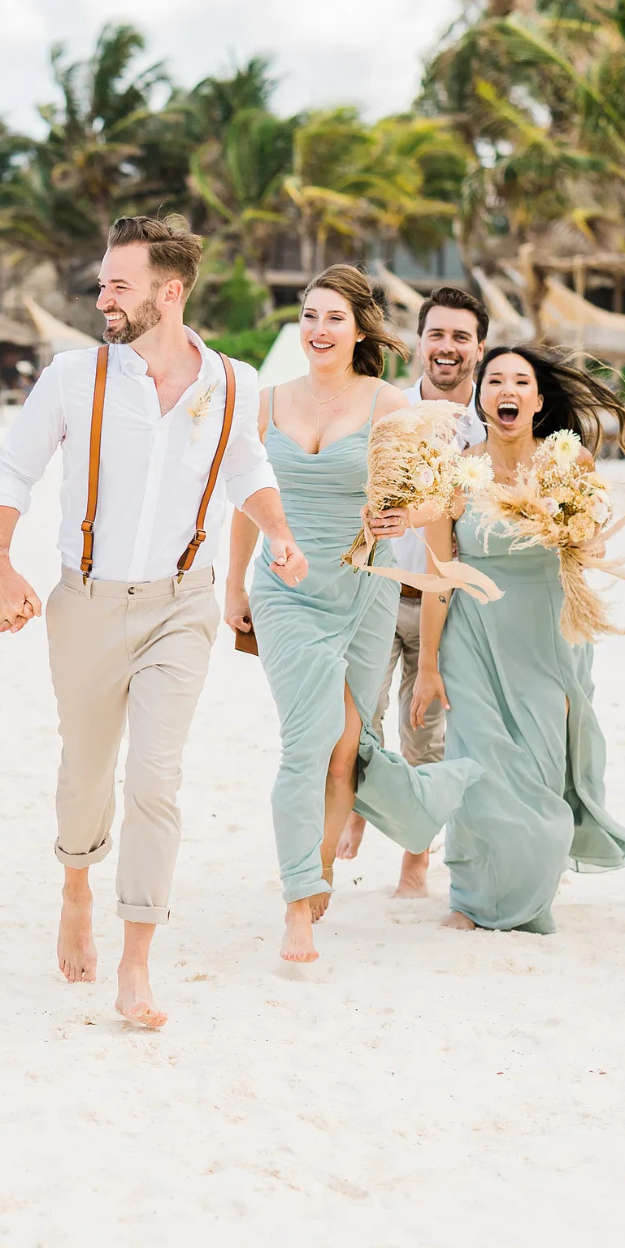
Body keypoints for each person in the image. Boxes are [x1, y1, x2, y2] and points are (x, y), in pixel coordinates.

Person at [0, 214, 308, 1028]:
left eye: (117, 284)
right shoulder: (71, 378)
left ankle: (137, 963)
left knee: (156, 780)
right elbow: (13, 467)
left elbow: (247, 465)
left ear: (169, 292)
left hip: (181, 605)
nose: (102, 298)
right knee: (86, 772)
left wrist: (279, 532)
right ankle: (74, 884)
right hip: (85, 603)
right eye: (102, 282)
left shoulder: (231, 382)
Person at [224, 266, 476, 962]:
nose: (318, 330)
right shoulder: (265, 403)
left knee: (346, 751)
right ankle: (297, 901)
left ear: (359, 329)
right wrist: (235, 588)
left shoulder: (388, 405)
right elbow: (248, 494)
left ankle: (323, 871)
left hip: (362, 590)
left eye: (333, 317)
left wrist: (401, 513)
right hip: (283, 589)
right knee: (308, 738)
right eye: (309, 316)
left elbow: (442, 501)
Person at [411, 345, 625, 933]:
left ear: (539, 402)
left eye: (520, 381)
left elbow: (590, 541)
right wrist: (428, 665)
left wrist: (584, 538)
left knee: (541, 779)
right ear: (481, 397)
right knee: (480, 768)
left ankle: (531, 888)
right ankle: (469, 899)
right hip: (473, 635)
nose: (506, 389)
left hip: (549, 637)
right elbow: (440, 577)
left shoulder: (572, 465)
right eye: (494, 380)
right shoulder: (454, 474)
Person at [360, 283, 489, 898]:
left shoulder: (492, 426)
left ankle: (415, 860)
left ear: (478, 348)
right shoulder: (386, 411)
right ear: (420, 340)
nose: (446, 347)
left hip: (452, 611)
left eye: (460, 337)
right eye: (436, 334)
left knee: (426, 736)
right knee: (358, 716)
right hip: (378, 594)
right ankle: (354, 809)